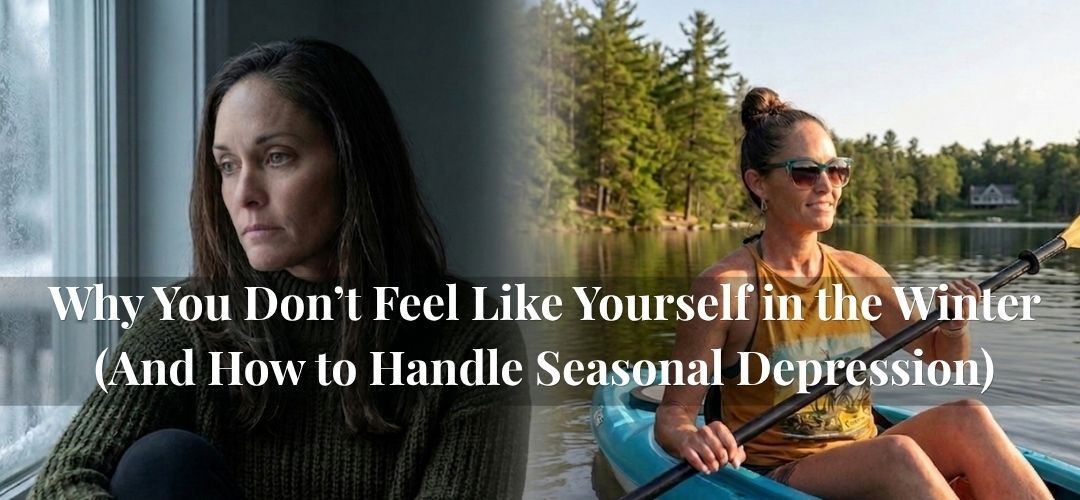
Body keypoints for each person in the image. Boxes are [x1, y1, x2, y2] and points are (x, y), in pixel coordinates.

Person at [31, 39, 529, 499]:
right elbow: (61, 480)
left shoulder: (472, 339)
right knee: (161, 464)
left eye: (276, 157)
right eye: (227, 166)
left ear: (354, 164)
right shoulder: (187, 320)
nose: (243, 193)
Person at [654, 87, 1052, 499]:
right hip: (778, 474)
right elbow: (674, 414)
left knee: (970, 417)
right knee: (897, 454)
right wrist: (690, 437)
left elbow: (941, 359)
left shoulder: (860, 273)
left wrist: (953, 328)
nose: (826, 185)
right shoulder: (725, 287)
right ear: (759, 183)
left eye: (836, 170)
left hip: (866, 453)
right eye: (805, 172)